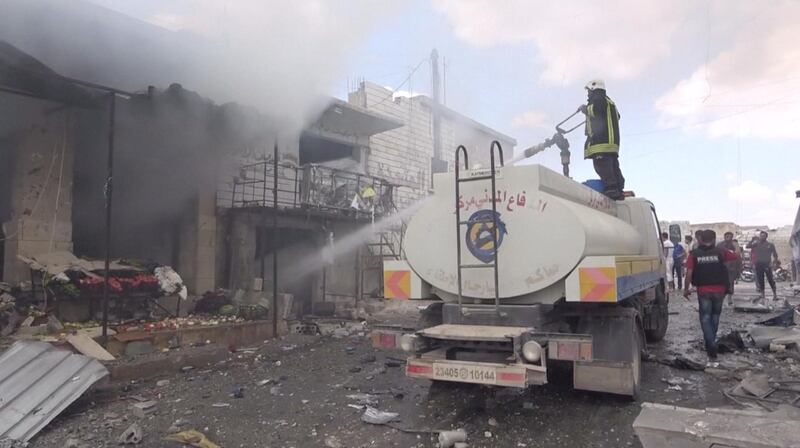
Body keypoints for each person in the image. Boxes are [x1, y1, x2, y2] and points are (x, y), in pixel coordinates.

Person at [684, 229, 739, 360]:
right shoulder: (722, 252)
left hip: (703, 290)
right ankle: (711, 342)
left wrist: (686, 289)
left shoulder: (694, 254)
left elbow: (689, 273)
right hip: (720, 289)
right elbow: (737, 255)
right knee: (715, 315)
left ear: (701, 239)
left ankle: (710, 343)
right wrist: (736, 244)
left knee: (705, 317)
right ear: (714, 240)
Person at [580, 79, 624, 200]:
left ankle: (611, 189)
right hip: (612, 144)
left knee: (602, 166)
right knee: (613, 167)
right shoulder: (610, 102)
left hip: (601, 142)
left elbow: (597, 110)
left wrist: (586, 109)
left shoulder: (598, 99)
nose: (588, 94)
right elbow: (616, 116)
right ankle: (618, 189)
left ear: (594, 89)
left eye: (589, 91)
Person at [747, 231, 779, 302]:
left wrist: (774, 263)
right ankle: (763, 295)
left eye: (763, 236)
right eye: (761, 236)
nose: (762, 237)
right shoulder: (756, 244)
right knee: (760, 280)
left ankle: (775, 294)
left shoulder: (770, 245)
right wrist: (752, 240)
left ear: (766, 237)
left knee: (770, 279)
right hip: (758, 265)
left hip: (767, 264)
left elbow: (775, 255)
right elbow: (747, 246)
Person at [717, 232, 742, 306]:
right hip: (721, 267)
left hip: (731, 266)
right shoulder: (720, 244)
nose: (728, 238)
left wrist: (739, 267)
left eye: (730, 236)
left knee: (730, 282)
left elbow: (738, 253)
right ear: (724, 237)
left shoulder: (734, 244)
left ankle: (729, 298)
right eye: (727, 236)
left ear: (732, 237)